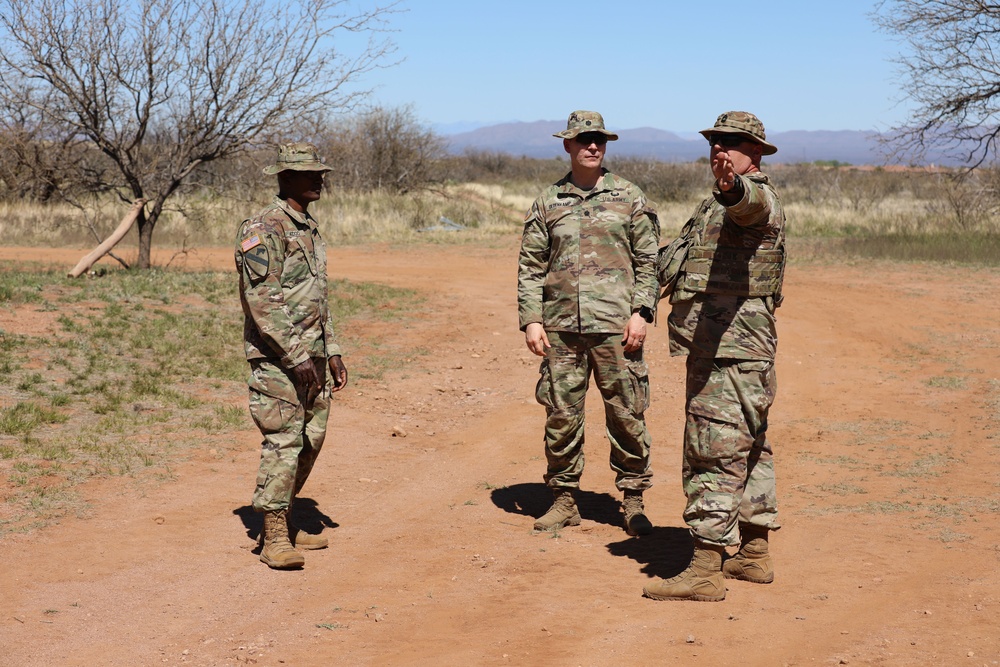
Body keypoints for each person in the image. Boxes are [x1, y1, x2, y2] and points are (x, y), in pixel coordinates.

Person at [643, 111, 785, 601]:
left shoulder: (753, 195)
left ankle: (705, 567)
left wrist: (731, 189)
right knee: (749, 450)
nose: (720, 150)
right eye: (715, 142)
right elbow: (678, 263)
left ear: (758, 153)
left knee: (712, 450)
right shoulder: (711, 205)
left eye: (733, 143)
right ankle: (753, 554)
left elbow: (748, 206)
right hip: (725, 348)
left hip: (732, 350)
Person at [517, 110, 660, 536]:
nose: (592, 146)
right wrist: (531, 320)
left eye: (598, 139)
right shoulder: (548, 202)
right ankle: (564, 500)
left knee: (627, 413)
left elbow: (649, 261)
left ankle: (632, 501)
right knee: (562, 415)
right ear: (568, 146)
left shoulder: (630, 197)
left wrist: (642, 312)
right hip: (561, 329)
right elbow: (530, 267)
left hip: (618, 328)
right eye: (583, 140)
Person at [235, 142, 348, 570]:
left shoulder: (307, 227)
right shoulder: (262, 227)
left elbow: (317, 297)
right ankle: (274, 533)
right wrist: (297, 356)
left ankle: (285, 512)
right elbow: (262, 298)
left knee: (310, 439)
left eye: (320, 172)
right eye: (308, 173)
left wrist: (331, 350)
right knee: (283, 440)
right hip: (278, 358)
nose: (319, 179)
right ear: (284, 178)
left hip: (312, 354)